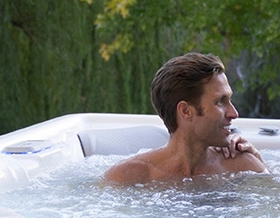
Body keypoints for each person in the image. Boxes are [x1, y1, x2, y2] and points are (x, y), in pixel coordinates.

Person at [104, 53, 266, 184]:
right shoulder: (129, 176)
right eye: (220, 102)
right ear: (186, 111)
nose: (234, 113)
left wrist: (260, 162)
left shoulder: (242, 166)